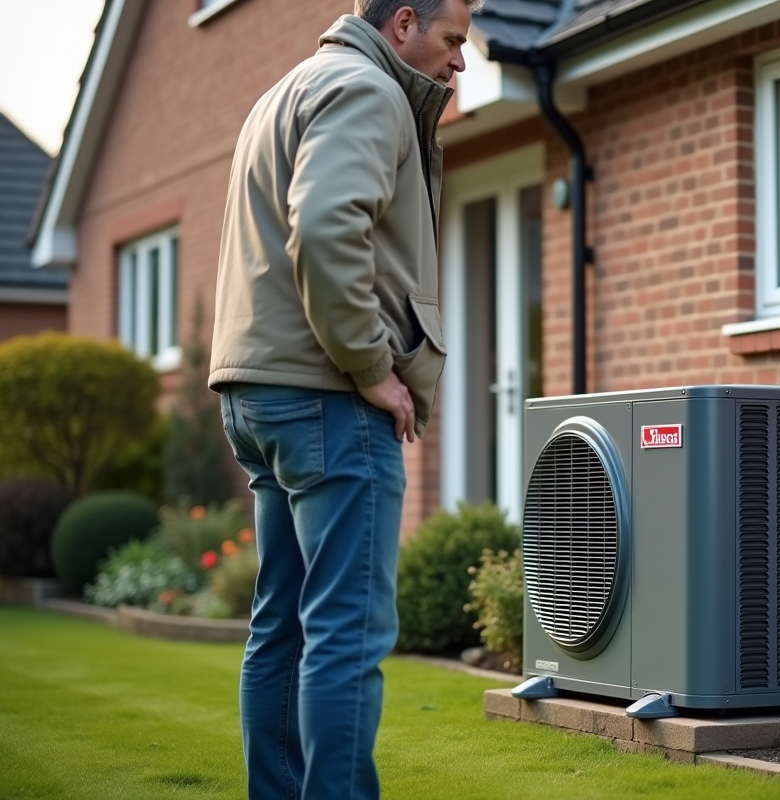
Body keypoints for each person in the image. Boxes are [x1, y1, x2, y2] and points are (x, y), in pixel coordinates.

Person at [208, 2, 477, 798]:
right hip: (327, 397)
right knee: (344, 637)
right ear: (403, 24)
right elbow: (326, 229)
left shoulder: (285, 91)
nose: (460, 62)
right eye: (453, 40)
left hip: (261, 396)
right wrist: (369, 367)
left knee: (281, 629)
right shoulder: (366, 89)